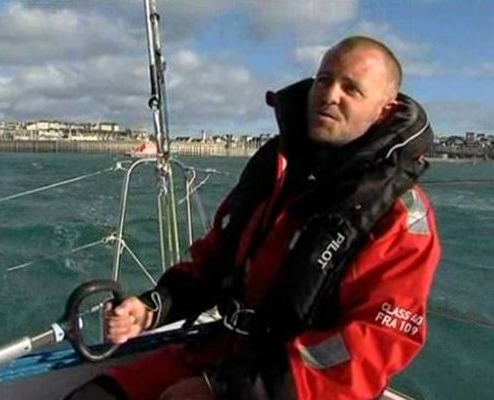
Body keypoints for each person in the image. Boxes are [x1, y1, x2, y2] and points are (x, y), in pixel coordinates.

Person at [65, 36, 441, 400]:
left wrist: (229, 392)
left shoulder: (399, 217)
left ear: (385, 111)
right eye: (324, 80)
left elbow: (371, 348)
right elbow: (213, 261)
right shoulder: (277, 170)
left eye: (351, 89)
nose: (330, 95)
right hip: (218, 355)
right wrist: (152, 307)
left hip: (290, 387)